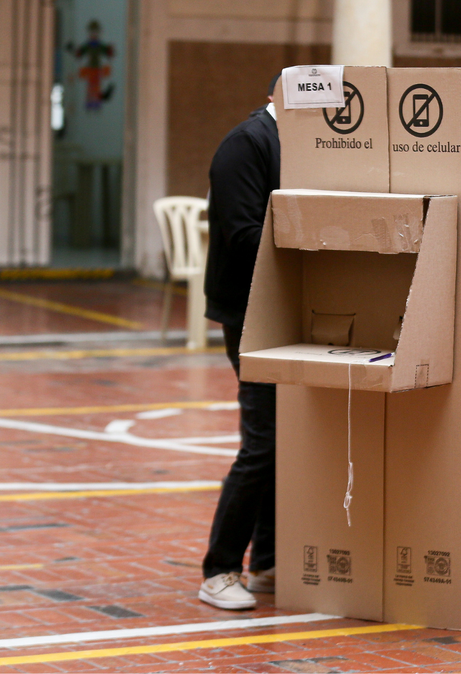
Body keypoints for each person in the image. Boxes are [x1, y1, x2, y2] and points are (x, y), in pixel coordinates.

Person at [198, 74, 281, 610]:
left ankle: (268, 562)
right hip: (249, 312)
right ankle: (219, 569)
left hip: (285, 308)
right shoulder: (246, 143)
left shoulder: (303, 146)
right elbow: (243, 233)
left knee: (287, 440)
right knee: (264, 439)